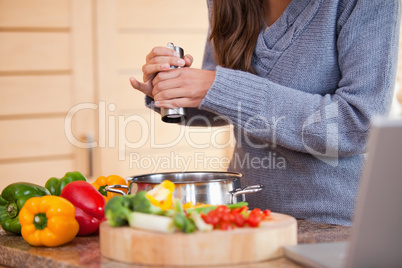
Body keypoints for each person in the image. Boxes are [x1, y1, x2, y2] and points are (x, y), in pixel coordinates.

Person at [130, 0, 401, 225]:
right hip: (245, 215)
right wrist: (173, 90)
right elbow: (225, 104)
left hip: (334, 226)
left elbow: (359, 124)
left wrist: (218, 86)